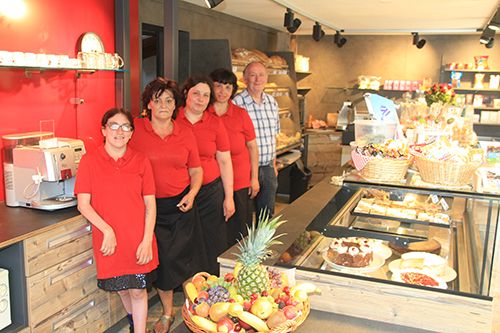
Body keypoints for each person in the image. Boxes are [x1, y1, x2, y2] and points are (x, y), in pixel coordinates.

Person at [129, 77, 206, 333]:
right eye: (157, 99)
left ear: (176, 105)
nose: (163, 104)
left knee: (181, 260)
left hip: (182, 205)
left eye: (169, 100)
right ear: (149, 104)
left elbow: (196, 170)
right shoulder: (135, 130)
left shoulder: (185, 131)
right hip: (148, 209)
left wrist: (193, 193)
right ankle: (167, 312)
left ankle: (187, 310)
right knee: (161, 262)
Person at [75, 108, 158, 333]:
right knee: (122, 289)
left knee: (138, 290)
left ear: (131, 133)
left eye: (125, 127)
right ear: (103, 130)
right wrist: (107, 230)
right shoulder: (89, 161)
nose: (119, 131)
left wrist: (147, 240)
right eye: (113, 125)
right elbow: (83, 204)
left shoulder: (141, 160)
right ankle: (134, 324)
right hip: (109, 240)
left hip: (138, 237)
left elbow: (150, 205)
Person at [177, 75, 235, 275]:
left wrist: (229, 197)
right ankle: (187, 284)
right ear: (186, 94)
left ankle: (212, 284)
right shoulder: (173, 119)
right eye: (196, 94)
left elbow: (225, 161)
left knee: (213, 239)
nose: (200, 99)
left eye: (205, 95)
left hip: (210, 191)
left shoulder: (215, 123)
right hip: (181, 191)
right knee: (185, 240)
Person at [209, 68, 259, 246]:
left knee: (239, 229)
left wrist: (254, 178)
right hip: (213, 184)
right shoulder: (204, 114)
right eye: (218, 86)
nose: (222, 92)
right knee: (217, 230)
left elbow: (253, 147)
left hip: (239, 181)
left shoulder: (241, 114)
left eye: (228, 87)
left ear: (233, 91)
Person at [233, 61, 280, 219]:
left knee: (267, 214)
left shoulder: (272, 103)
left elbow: (273, 136)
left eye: (261, 75)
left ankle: (264, 244)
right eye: (253, 75)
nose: (257, 79)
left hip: (267, 168)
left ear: (266, 78)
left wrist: (273, 164)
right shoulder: (236, 104)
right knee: (244, 215)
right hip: (244, 169)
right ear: (245, 79)